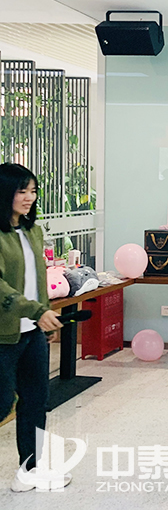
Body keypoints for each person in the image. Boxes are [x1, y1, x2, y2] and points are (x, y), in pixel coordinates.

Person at [0, 163, 68, 492]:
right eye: (21, 191)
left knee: (35, 402)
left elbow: (38, 280)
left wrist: (45, 316)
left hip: (32, 332)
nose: (29, 197)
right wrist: (36, 311)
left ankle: (30, 470)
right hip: (4, 335)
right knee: (2, 404)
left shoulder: (32, 232)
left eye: (33, 191)